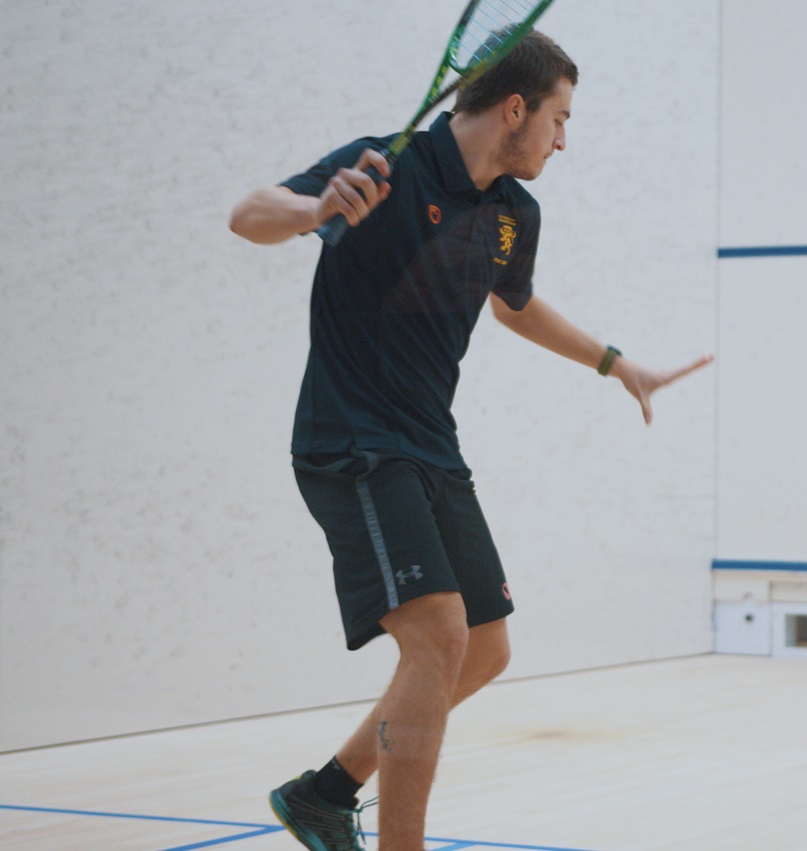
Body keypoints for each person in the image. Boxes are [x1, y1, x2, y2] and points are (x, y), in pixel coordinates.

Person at [229, 30, 712, 851]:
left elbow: (513, 305)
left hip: (429, 448)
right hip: (351, 442)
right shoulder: (387, 162)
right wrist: (317, 208)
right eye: (559, 118)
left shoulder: (512, 213)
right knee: (437, 634)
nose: (564, 139)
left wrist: (615, 363)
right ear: (515, 109)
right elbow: (248, 216)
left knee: (483, 649)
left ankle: (325, 792)